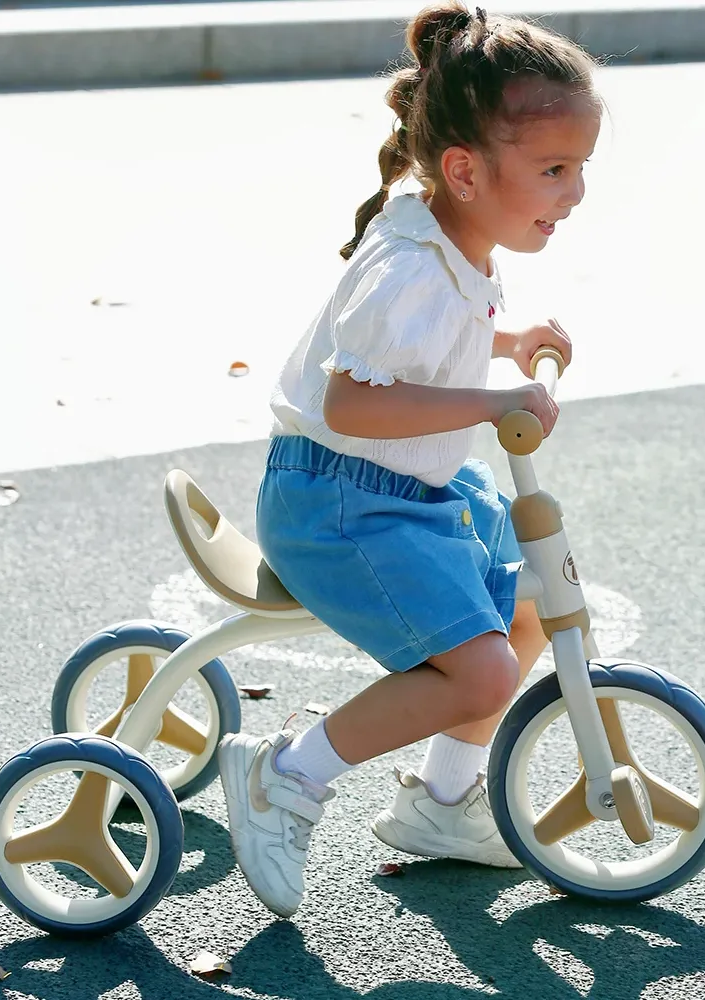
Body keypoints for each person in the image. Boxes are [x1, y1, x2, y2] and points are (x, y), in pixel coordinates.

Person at [217, 1, 602, 917]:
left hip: (406, 487)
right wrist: (493, 400)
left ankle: (441, 804)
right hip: (339, 503)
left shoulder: (450, 231)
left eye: (580, 168)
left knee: (528, 601)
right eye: (554, 170)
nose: (575, 192)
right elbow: (355, 400)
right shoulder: (410, 269)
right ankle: (287, 775)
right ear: (465, 169)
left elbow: (435, 340)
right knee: (481, 672)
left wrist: (505, 343)